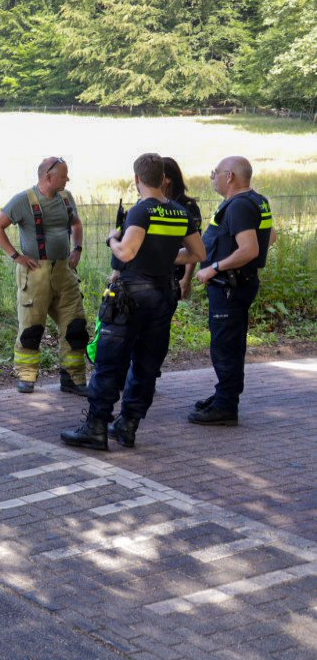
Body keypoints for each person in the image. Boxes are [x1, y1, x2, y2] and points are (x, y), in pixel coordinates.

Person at [62, 153, 204, 450]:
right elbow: (198, 254)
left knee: (110, 362)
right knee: (146, 364)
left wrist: (112, 238)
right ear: (164, 179)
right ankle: (127, 426)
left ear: (137, 179)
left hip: (132, 296)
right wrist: (166, 257)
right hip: (164, 296)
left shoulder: (142, 211)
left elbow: (126, 253)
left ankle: (96, 428)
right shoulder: (180, 212)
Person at [0, 156, 90, 395]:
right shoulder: (22, 200)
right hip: (35, 275)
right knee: (32, 329)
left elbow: (76, 224)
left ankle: (73, 379)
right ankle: (26, 375)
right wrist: (16, 256)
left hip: (65, 272)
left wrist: (77, 249)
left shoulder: (66, 198)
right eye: (64, 175)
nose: (68, 179)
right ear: (48, 177)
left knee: (75, 327)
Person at [189, 155, 275, 428]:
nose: (212, 177)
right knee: (232, 344)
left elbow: (250, 249)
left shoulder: (238, 206)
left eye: (215, 172)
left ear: (230, 177)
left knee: (225, 346)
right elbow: (270, 237)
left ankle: (226, 406)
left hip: (229, 286)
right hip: (241, 282)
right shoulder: (258, 201)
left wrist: (214, 267)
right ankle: (223, 396)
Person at [161, 157, 202, 299]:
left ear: (168, 179)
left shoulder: (188, 207)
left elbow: (195, 246)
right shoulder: (151, 204)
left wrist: (186, 278)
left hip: (175, 273)